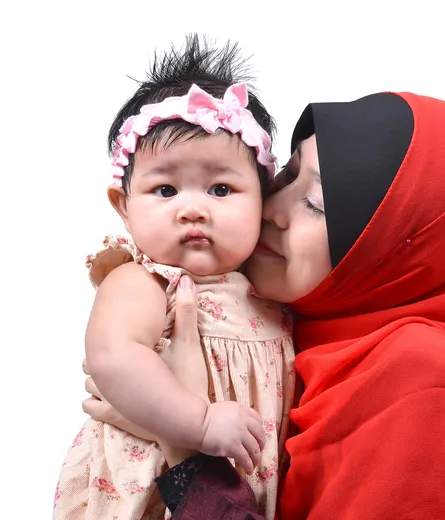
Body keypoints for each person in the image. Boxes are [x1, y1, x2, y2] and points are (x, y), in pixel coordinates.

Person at [86, 89, 445, 519]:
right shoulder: (290, 330)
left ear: (394, 253)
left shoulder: (426, 389)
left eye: (316, 203)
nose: (270, 208)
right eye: (285, 175)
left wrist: (184, 445)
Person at [54, 35, 295, 520]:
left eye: (221, 189)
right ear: (123, 207)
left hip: (240, 492)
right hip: (154, 490)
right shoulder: (144, 281)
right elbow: (113, 357)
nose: (192, 209)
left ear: (263, 202)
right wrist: (199, 423)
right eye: (164, 189)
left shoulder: (267, 288)